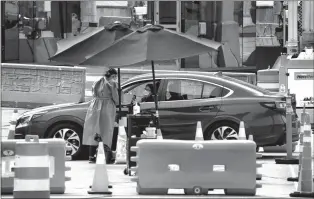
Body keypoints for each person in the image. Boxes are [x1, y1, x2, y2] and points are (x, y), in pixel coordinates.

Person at [82, 68, 119, 163]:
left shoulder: (97, 81)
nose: (115, 78)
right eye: (114, 76)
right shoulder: (113, 84)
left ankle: (91, 156)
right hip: (107, 107)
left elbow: (93, 92)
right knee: (106, 131)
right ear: (110, 76)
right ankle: (106, 156)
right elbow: (116, 98)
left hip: (94, 106)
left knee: (94, 130)